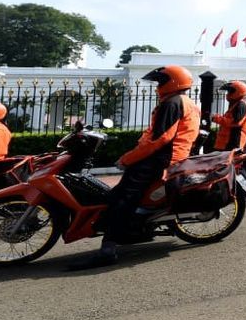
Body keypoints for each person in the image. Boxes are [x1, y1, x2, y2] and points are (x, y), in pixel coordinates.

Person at [68, 65, 200, 270]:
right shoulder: (186, 102)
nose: (158, 86)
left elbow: (159, 139)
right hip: (170, 156)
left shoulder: (172, 103)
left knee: (123, 198)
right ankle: (126, 229)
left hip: (161, 158)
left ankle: (108, 250)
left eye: (160, 81)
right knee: (119, 193)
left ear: (172, 82)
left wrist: (128, 158)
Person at [211, 80, 246, 151]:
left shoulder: (241, 105)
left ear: (238, 92)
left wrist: (215, 118)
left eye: (230, 91)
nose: (228, 94)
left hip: (233, 144)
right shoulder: (235, 104)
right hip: (226, 143)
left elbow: (235, 122)